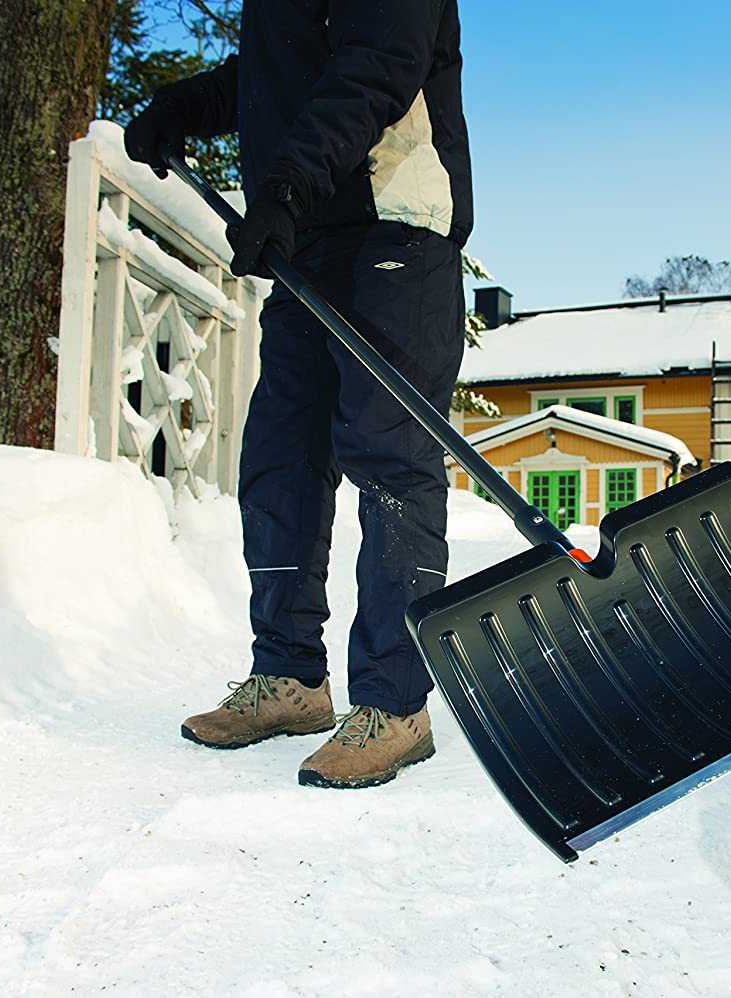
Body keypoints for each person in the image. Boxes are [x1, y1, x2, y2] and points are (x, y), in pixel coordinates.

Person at [124, 1, 472, 789]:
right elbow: (277, 72)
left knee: (389, 461)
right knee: (280, 457)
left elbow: (378, 64)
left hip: (396, 226)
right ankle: (291, 677)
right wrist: (188, 106)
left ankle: (395, 702)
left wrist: (285, 184)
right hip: (307, 238)